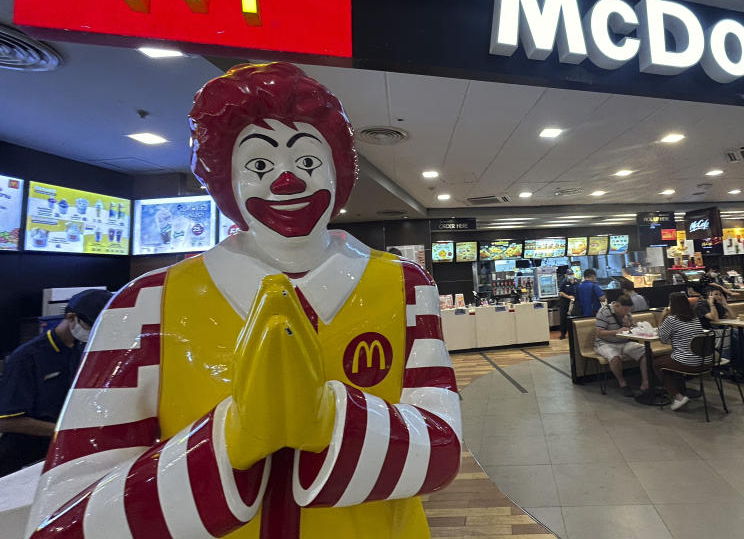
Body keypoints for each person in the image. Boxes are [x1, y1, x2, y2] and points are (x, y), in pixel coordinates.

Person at [25, 63, 461, 539]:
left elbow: (443, 451)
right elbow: (65, 517)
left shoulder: (406, 286)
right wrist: (230, 440)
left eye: (308, 162)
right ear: (224, 179)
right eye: (259, 165)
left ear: (338, 170)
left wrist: (328, 421)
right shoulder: (145, 303)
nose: (287, 181)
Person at [0, 289, 113, 477]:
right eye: (93, 326)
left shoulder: (83, 350)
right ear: (71, 318)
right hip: (22, 457)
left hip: (60, 454)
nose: (96, 333)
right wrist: (66, 431)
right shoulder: (27, 358)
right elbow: (7, 421)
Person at [694, 287, 744, 375]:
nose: (719, 297)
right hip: (709, 332)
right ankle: (733, 367)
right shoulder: (701, 305)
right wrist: (711, 303)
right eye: (716, 294)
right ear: (709, 295)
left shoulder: (718, 305)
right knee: (733, 338)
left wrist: (725, 304)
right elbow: (714, 318)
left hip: (721, 328)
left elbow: (733, 317)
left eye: (720, 295)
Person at [655, 293, 712, 411]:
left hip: (688, 364)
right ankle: (681, 390)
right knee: (673, 359)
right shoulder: (695, 317)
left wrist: (662, 317)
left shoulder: (671, 319)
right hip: (706, 362)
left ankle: (678, 397)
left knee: (657, 363)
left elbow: (662, 338)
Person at [593, 295, 648, 396]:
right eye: (625, 310)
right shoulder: (604, 312)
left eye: (629, 310)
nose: (627, 312)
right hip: (605, 343)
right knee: (615, 358)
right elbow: (599, 333)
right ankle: (623, 384)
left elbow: (632, 328)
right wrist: (617, 331)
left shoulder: (627, 313)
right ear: (617, 306)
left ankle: (646, 383)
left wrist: (630, 326)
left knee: (646, 353)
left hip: (624, 342)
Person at [557, 270, 579, 339]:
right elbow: (561, 292)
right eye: (569, 274)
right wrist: (568, 297)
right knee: (563, 317)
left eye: (571, 274)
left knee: (575, 316)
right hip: (565, 301)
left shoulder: (577, 281)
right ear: (566, 275)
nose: (570, 275)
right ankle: (563, 333)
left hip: (575, 301)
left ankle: (573, 333)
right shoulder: (564, 282)